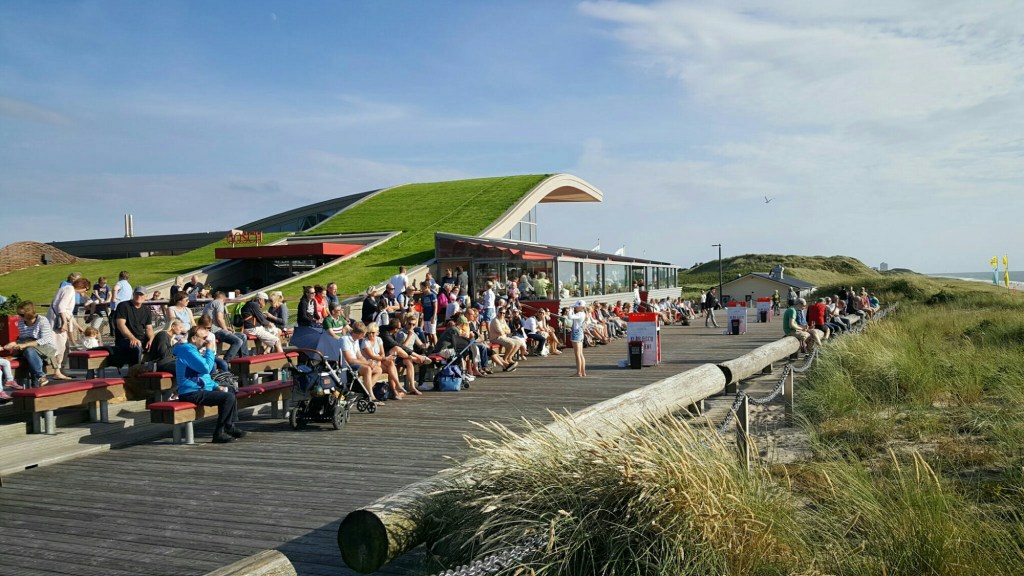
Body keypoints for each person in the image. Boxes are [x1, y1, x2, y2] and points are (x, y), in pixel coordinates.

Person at [174, 326, 246, 443]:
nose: (207, 341)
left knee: (230, 390)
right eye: (204, 338)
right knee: (227, 397)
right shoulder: (187, 350)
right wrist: (210, 351)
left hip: (200, 389)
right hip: (190, 392)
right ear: (193, 338)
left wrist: (215, 386)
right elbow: (206, 368)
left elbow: (203, 376)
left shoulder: (193, 351)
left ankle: (229, 426)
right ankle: (219, 433)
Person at [2, 301, 56, 388]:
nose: (19, 316)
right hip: (29, 349)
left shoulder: (42, 321)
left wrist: (24, 345)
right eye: (19, 314)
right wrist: (14, 343)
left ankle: (39, 376)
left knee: (29, 350)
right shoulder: (21, 322)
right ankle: (39, 379)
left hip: (46, 348)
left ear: (29, 313)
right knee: (30, 354)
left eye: (21, 314)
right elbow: (22, 339)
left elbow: (46, 339)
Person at [48, 276, 90, 380]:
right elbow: (62, 307)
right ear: (82, 286)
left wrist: (78, 326)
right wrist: (64, 323)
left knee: (62, 346)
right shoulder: (70, 290)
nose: (85, 291)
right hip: (58, 323)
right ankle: (57, 371)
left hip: (56, 321)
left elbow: (68, 313)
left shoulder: (67, 289)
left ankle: (57, 370)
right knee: (60, 346)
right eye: (86, 288)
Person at [340, 322, 382, 401]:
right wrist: (368, 363)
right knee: (367, 369)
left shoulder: (355, 339)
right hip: (347, 366)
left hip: (356, 363)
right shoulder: (344, 340)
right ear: (358, 333)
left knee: (378, 370)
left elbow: (359, 356)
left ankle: (364, 391)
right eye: (363, 335)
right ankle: (370, 395)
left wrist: (369, 363)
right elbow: (350, 360)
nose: (363, 337)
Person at [113, 287, 155, 367]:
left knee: (159, 342)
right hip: (124, 340)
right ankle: (135, 372)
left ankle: (154, 374)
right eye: (137, 294)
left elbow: (149, 328)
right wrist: (132, 337)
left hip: (141, 338)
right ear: (133, 294)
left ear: (146, 296)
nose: (139, 296)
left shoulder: (147, 310)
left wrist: (151, 340)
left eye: (141, 294)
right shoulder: (123, 306)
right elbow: (120, 324)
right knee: (137, 346)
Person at [201, 291, 248, 362]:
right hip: (215, 331)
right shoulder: (219, 302)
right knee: (238, 341)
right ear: (223, 298)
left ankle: (244, 360)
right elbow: (220, 319)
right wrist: (226, 329)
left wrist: (226, 327)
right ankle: (226, 361)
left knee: (243, 336)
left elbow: (216, 320)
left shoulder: (210, 304)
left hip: (215, 329)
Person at [109, 271, 132, 336]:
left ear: (120, 277)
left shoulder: (120, 283)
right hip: (126, 307)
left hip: (117, 306)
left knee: (113, 322)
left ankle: (114, 336)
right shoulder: (129, 285)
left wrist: (114, 298)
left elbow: (114, 289)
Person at [569, 300, 588, 377]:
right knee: (580, 354)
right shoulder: (583, 313)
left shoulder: (580, 314)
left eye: (576, 307)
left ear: (580, 307)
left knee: (577, 354)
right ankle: (583, 372)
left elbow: (570, 317)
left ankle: (579, 372)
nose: (575, 308)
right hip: (580, 332)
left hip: (576, 332)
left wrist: (570, 311)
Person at [418, 280, 438, 346]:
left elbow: (435, 306)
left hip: (431, 317)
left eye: (422, 288)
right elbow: (425, 306)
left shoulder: (433, 295)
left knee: (433, 333)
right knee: (428, 333)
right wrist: (421, 304)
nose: (421, 289)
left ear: (426, 287)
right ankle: (431, 347)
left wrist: (434, 316)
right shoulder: (424, 296)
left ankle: (436, 348)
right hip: (426, 316)